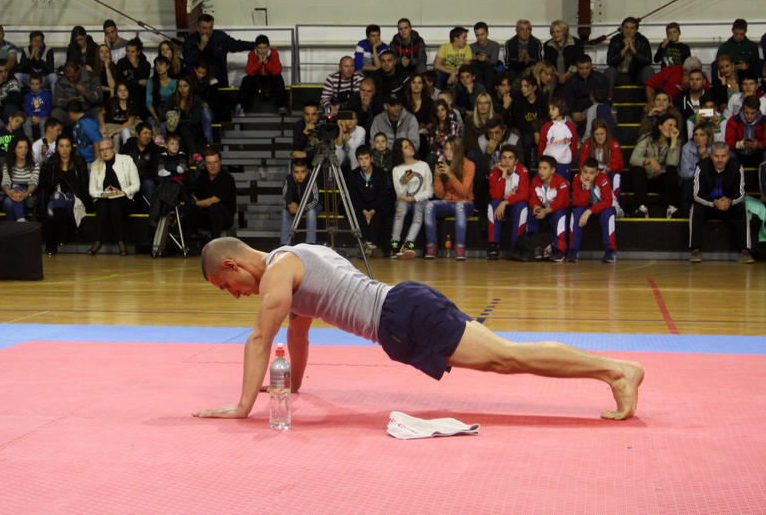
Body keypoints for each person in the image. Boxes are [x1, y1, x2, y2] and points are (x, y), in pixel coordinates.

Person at [194, 238, 644, 421]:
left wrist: (241, 406)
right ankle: (614, 370)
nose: (234, 294)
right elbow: (298, 333)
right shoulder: (296, 257)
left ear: (232, 264)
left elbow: (260, 338)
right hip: (405, 309)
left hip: (404, 315)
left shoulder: (278, 271)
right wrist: (293, 385)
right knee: (506, 356)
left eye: (225, 286)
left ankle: (616, 371)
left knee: (509, 357)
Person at [689, 142, 754, 264]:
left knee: (741, 208)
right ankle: (695, 249)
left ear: (729, 156)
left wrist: (729, 201)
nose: (720, 160)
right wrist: (714, 203)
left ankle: (744, 251)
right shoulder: (702, 166)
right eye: (716, 156)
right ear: (710, 155)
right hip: (709, 205)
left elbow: (740, 194)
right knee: (696, 208)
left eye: (723, 156)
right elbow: (697, 194)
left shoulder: (737, 166)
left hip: (728, 205)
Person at [38, 135, 91, 255]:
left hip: (75, 198)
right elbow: (46, 186)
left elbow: (84, 184)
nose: (64, 149)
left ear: (71, 148)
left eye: (67, 146)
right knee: (52, 204)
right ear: (57, 148)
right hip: (57, 199)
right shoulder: (51, 162)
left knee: (54, 202)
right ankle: (59, 239)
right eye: (61, 146)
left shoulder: (78, 162)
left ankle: (52, 244)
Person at [88, 137, 139, 256]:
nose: (104, 152)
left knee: (114, 203)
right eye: (101, 150)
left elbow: (136, 185)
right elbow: (92, 191)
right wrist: (103, 193)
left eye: (107, 149)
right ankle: (117, 242)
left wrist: (121, 192)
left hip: (125, 198)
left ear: (114, 148)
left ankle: (102, 241)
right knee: (105, 204)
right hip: (104, 199)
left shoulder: (126, 160)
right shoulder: (96, 165)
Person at [425, 135, 474, 260]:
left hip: (465, 202)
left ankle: (460, 248)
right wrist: (436, 177)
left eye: (451, 150)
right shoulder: (441, 165)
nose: (448, 153)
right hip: (447, 201)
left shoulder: (469, 165)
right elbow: (440, 195)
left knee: (460, 206)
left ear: (458, 151)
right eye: (446, 149)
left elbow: (464, 191)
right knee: (429, 205)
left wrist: (450, 175)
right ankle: (431, 246)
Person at [628, 113, 681, 218]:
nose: (672, 128)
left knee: (672, 170)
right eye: (669, 125)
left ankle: (671, 208)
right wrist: (650, 160)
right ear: (660, 126)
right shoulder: (647, 139)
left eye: (674, 126)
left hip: (662, 180)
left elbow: (672, 163)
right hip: (646, 178)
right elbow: (633, 159)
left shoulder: (677, 142)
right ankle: (642, 208)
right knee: (637, 170)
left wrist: (673, 141)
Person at [182, 14, 255, 86]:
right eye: (204, 28)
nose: (208, 31)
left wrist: (256, 45)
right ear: (198, 28)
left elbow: (237, 45)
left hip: (219, 81)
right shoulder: (191, 40)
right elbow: (188, 60)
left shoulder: (220, 37)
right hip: (198, 83)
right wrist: (200, 47)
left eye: (210, 28)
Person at [568, 158, 617, 263]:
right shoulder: (577, 179)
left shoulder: (603, 179)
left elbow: (607, 201)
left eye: (591, 173)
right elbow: (577, 202)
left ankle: (610, 251)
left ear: (597, 173)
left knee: (607, 214)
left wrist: (589, 211)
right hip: (587, 207)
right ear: (581, 170)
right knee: (576, 213)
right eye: (585, 172)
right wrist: (586, 189)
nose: (587, 176)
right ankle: (573, 250)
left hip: (604, 207)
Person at [389, 137, 431, 259]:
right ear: (400, 151)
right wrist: (404, 182)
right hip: (403, 201)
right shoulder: (397, 170)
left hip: (419, 200)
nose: (410, 147)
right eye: (406, 147)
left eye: (410, 145)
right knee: (400, 210)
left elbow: (429, 191)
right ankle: (395, 243)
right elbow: (399, 194)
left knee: (419, 214)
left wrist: (414, 198)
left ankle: (408, 244)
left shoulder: (424, 165)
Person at [486, 144, 529, 259]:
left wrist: (505, 202)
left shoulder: (522, 171)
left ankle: (516, 246)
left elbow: (524, 195)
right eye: (504, 158)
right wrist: (504, 175)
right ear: (500, 160)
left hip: (514, 204)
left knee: (523, 207)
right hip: (500, 204)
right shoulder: (494, 172)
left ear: (516, 161)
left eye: (510, 158)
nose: (507, 161)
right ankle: (493, 246)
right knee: (493, 205)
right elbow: (496, 195)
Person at [348, 145, 391, 256]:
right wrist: (364, 210)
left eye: (366, 158)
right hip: (361, 206)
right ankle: (364, 243)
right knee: (357, 215)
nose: (364, 162)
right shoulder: (354, 174)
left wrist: (372, 210)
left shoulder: (380, 173)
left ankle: (374, 244)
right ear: (357, 160)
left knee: (381, 215)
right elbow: (354, 195)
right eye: (361, 159)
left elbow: (383, 194)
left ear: (371, 159)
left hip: (377, 206)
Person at [527, 155, 571, 262]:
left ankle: (559, 250)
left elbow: (561, 203)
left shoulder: (561, 182)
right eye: (540, 168)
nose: (541, 171)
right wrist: (536, 206)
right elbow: (532, 197)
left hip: (557, 211)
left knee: (559, 214)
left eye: (544, 168)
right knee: (530, 212)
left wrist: (546, 211)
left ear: (553, 170)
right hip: (543, 210)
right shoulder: (535, 180)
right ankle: (535, 246)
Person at [579, 119, 624, 215]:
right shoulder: (588, 144)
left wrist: (608, 169)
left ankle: (615, 206)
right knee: (579, 177)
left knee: (616, 177)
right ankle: (590, 205)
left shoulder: (613, 144)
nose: (599, 137)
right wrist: (590, 173)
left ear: (606, 133)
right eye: (597, 134)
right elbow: (583, 163)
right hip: (592, 172)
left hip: (608, 172)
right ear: (593, 134)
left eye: (602, 133)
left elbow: (618, 164)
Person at [190, 147, 236, 239]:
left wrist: (196, 203)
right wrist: (191, 201)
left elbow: (213, 200)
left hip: (224, 218)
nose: (212, 166)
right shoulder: (202, 178)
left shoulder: (227, 178)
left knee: (215, 207)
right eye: (209, 163)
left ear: (220, 162)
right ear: (205, 164)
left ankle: (215, 240)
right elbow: (194, 194)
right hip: (205, 217)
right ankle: (191, 240)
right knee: (187, 205)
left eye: (215, 162)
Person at [238, 34, 287, 115]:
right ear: (256, 47)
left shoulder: (274, 53)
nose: (263, 50)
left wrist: (266, 63)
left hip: (270, 78)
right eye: (260, 48)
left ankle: (282, 106)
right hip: (257, 79)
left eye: (265, 48)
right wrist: (259, 63)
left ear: (268, 47)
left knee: (279, 78)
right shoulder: (252, 54)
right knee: (246, 79)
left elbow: (277, 71)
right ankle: (241, 107)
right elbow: (249, 72)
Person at [52, 59, 105, 126]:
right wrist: (67, 101)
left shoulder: (92, 77)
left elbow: (99, 97)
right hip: (69, 113)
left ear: (79, 71)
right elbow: (55, 101)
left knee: (99, 111)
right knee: (56, 113)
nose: (71, 79)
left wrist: (86, 93)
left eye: (73, 77)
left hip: (88, 110)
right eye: (69, 77)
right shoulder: (61, 81)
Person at [120, 122, 161, 206]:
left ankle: (149, 213)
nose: (148, 136)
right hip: (128, 180)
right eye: (145, 133)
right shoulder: (127, 147)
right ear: (137, 134)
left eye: (150, 133)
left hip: (144, 180)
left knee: (149, 184)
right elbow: (120, 165)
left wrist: (138, 179)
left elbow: (154, 171)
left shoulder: (155, 149)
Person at [538, 97, 577, 183]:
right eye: (549, 109)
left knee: (563, 187)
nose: (550, 112)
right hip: (548, 164)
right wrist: (543, 160)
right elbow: (542, 144)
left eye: (553, 109)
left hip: (564, 164)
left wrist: (569, 158)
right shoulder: (546, 127)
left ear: (561, 109)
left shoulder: (570, 127)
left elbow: (573, 146)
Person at [280, 158, 318, 246]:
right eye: (297, 172)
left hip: (311, 206)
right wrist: (290, 205)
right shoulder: (288, 178)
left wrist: (300, 208)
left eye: (303, 172)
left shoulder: (312, 177)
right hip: (295, 206)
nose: (300, 175)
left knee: (311, 212)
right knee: (285, 212)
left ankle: (311, 244)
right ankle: (285, 244)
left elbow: (315, 199)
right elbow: (286, 196)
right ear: (293, 172)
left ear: (307, 171)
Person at [0, 136, 39, 222]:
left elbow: (34, 182)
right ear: (14, 149)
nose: (23, 151)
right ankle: (20, 220)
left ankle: (14, 225)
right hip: (12, 193)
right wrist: (9, 192)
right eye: (20, 148)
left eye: (25, 148)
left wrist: (26, 193)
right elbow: (5, 181)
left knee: (14, 192)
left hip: (28, 193)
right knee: (8, 201)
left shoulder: (35, 165)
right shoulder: (7, 165)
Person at [563, 55, 609, 127]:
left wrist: (591, 109)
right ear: (577, 68)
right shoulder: (571, 81)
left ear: (591, 66)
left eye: (587, 68)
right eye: (581, 68)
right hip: (577, 113)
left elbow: (606, 99)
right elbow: (568, 101)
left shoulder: (601, 79)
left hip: (595, 111)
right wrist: (572, 113)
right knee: (565, 119)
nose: (584, 71)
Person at [679, 123, 713, 215]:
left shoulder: (713, 149)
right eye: (696, 135)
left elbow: (713, 173)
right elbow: (685, 173)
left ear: (708, 137)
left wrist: (704, 158)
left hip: (707, 180)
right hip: (690, 180)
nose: (698, 138)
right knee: (687, 184)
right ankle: (686, 212)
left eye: (702, 135)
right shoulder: (687, 148)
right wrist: (700, 174)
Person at [605, 17, 653, 83]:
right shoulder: (615, 40)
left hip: (636, 75)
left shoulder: (642, 40)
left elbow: (648, 61)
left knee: (648, 70)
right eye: (626, 28)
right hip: (619, 74)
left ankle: (650, 93)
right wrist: (625, 49)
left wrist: (633, 49)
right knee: (610, 71)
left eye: (632, 28)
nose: (628, 31)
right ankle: (608, 93)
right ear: (622, 28)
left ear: (636, 30)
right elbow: (610, 61)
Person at [724, 96, 766, 170]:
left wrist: (759, 145)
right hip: (738, 152)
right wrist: (739, 144)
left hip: (759, 152)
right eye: (746, 113)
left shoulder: (764, 121)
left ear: (758, 111)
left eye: (753, 113)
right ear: (742, 110)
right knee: (728, 154)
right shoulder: (733, 121)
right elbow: (729, 141)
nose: (749, 116)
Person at [100, 82, 141, 147]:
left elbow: (129, 123)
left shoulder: (132, 104)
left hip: (125, 127)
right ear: (116, 93)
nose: (123, 93)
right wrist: (102, 126)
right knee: (103, 135)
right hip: (111, 126)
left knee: (125, 131)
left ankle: (127, 154)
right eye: (120, 90)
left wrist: (113, 132)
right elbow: (100, 114)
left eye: (125, 90)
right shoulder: (111, 102)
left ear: (128, 92)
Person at [116, 38, 152, 112]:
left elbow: (144, 81)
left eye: (132, 52)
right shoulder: (121, 63)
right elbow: (120, 80)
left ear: (138, 52)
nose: (129, 54)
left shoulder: (145, 64)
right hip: (125, 93)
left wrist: (135, 65)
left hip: (140, 95)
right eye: (128, 51)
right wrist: (137, 82)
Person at [543, 19, 584, 84]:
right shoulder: (547, 45)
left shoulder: (577, 43)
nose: (555, 34)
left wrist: (565, 76)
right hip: (554, 76)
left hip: (574, 76)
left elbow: (579, 61)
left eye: (558, 31)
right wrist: (559, 76)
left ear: (564, 32)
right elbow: (548, 63)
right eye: (553, 32)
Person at [470, 21, 502, 87]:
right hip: (476, 69)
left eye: (482, 34)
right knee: (476, 71)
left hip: (490, 69)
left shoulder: (495, 45)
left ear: (487, 33)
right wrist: (473, 58)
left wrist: (486, 58)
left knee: (489, 71)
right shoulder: (471, 47)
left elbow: (494, 62)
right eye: (477, 35)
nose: (480, 37)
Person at [23, 73, 53, 140]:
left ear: (41, 84)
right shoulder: (27, 96)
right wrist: (33, 116)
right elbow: (27, 108)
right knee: (26, 122)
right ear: (29, 84)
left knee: (43, 123)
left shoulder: (47, 95)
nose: (34, 86)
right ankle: (29, 141)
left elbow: (49, 108)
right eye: (32, 84)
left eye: (37, 84)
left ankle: (44, 141)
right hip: (32, 116)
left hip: (43, 116)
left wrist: (39, 116)